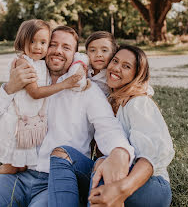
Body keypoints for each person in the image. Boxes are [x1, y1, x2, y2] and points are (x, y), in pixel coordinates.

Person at [0, 25, 136, 207]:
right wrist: (9, 89)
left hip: (53, 182)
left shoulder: (86, 89)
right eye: (52, 44)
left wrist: (120, 150)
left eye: (66, 47)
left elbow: (108, 127)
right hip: (18, 174)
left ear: (76, 55)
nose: (57, 51)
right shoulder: (30, 77)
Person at [88, 45, 175, 207]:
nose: (116, 68)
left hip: (150, 183)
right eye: (115, 61)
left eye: (126, 66)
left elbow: (149, 159)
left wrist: (121, 189)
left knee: (106, 170)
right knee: (65, 156)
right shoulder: (109, 101)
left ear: (136, 75)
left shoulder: (138, 103)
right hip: (116, 175)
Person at [0, 19, 83, 175]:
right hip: (17, 124)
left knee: (22, 165)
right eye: (32, 41)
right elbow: (35, 93)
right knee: (12, 166)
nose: (38, 47)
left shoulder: (41, 62)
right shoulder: (23, 62)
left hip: (30, 124)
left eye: (43, 42)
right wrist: (65, 84)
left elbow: (77, 57)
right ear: (22, 41)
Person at [85, 31, 117, 96]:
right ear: (87, 53)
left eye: (104, 50)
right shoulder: (84, 68)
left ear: (113, 53)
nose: (98, 55)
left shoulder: (113, 75)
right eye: (93, 50)